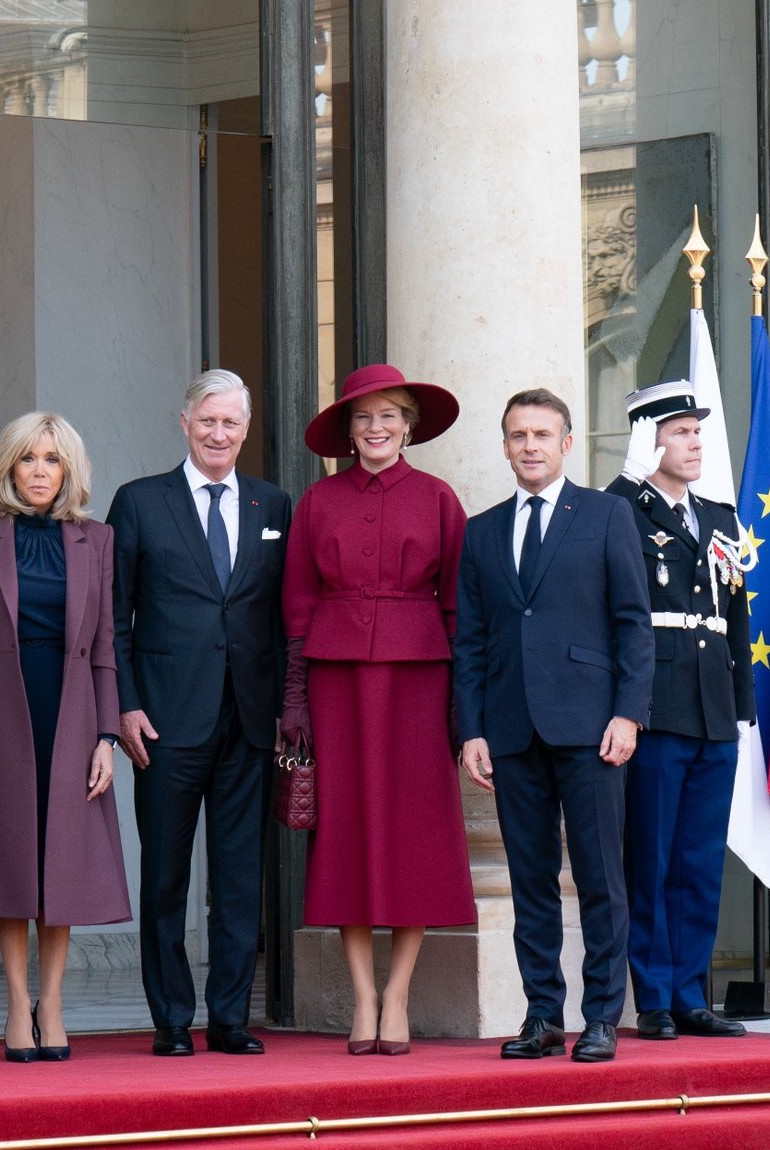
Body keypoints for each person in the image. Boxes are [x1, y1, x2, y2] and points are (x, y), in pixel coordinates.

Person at [0, 412, 129, 1062]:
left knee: (61, 858)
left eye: (52, 460)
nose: (40, 471)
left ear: (69, 470)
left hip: (70, 711)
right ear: (9, 467)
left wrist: (105, 736)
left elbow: (104, 649)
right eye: (28, 459)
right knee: (12, 857)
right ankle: (17, 1003)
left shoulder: (98, 540)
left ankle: (54, 1002)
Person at [281, 363, 475, 1056]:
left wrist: (462, 710)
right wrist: (294, 702)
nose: (376, 428)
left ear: (409, 425)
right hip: (336, 683)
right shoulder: (317, 502)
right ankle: (363, 997)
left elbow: (458, 607)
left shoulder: (439, 498)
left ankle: (398, 997)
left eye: (389, 415)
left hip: (421, 684)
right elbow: (298, 610)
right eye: (363, 418)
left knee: (414, 836)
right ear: (347, 431)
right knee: (346, 835)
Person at [455, 389, 650, 1064]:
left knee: (600, 877)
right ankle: (542, 1015)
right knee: (530, 879)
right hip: (510, 732)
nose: (529, 445)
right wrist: (470, 729)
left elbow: (633, 622)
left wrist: (629, 713)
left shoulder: (605, 515)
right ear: (505, 446)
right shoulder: (480, 532)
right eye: (517, 435)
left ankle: (600, 1016)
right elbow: (471, 640)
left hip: (592, 727)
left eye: (542, 433)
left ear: (567, 443)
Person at [109, 370, 290, 1056]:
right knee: (165, 875)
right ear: (184, 423)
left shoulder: (275, 504)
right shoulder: (139, 502)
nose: (219, 434)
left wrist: (286, 713)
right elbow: (113, 620)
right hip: (163, 721)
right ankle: (170, 1018)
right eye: (208, 421)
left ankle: (231, 1017)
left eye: (232, 424)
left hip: (249, 721)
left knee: (240, 877)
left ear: (245, 430)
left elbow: (281, 620)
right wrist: (124, 704)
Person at [604, 379, 753, 1041]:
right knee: (653, 859)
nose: (695, 443)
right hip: (655, 708)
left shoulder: (720, 516)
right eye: (681, 432)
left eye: (698, 432)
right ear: (649, 438)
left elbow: (737, 619)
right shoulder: (618, 511)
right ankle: (655, 996)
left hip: (712, 708)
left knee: (698, 862)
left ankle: (692, 994)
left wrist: (741, 705)